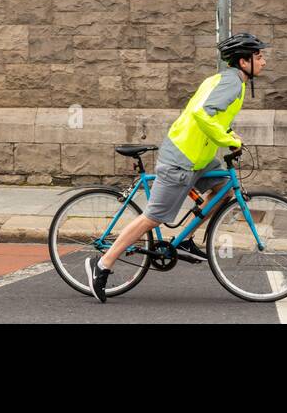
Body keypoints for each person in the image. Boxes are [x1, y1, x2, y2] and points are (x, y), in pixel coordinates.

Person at [85, 32, 268, 302]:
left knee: (223, 191)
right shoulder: (230, 84)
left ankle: (185, 239)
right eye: (259, 56)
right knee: (154, 217)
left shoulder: (226, 80)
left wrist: (229, 135)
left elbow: (210, 115)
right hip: (182, 157)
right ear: (243, 62)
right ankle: (102, 264)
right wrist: (228, 139)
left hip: (200, 158)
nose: (263, 61)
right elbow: (202, 114)